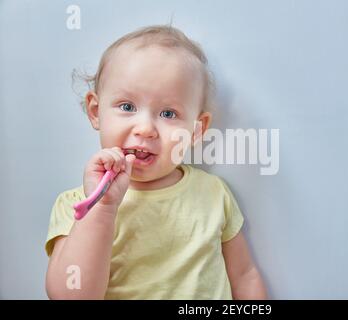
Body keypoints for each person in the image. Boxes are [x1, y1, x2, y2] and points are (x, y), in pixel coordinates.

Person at [45, 25, 267, 299]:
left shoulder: (213, 193)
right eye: (127, 107)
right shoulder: (77, 204)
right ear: (95, 112)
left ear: (196, 130)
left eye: (168, 113)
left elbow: (245, 276)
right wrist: (102, 208)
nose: (146, 128)